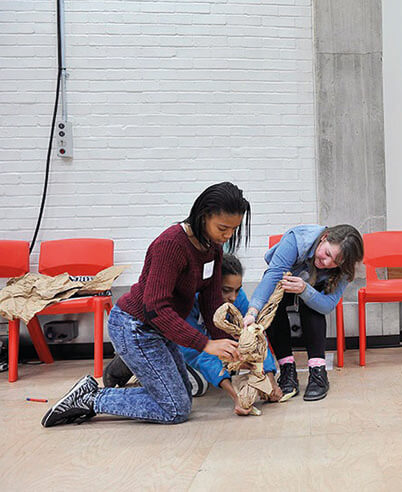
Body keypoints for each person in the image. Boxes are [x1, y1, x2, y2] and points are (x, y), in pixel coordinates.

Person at [42, 182, 251, 427]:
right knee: (175, 409)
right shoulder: (171, 244)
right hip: (135, 327)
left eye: (233, 230)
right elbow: (155, 308)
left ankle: (90, 393)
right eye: (223, 228)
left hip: (159, 330)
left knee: (181, 395)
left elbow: (211, 302)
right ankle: (90, 399)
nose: (227, 236)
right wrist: (206, 344)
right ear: (203, 215)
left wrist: (231, 349)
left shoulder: (211, 247)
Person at [102, 254, 283, 415]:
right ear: (212, 286)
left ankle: (141, 362)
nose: (233, 297)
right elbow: (199, 353)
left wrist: (269, 378)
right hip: (181, 345)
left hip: (207, 347)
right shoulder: (189, 301)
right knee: (197, 386)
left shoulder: (238, 298)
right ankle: (129, 364)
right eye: (226, 290)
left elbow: (256, 337)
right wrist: (236, 396)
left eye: (237, 289)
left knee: (230, 366)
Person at [246, 224, 363, 402]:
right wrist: (252, 312)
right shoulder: (297, 239)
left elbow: (327, 305)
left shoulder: (344, 268)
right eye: (328, 254)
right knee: (272, 306)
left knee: (313, 307)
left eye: (335, 263)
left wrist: (305, 291)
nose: (327, 263)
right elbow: (273, 275)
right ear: (325, 237)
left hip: (310, 288)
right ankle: (287, 371)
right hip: (283, 281)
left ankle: (318, 372)